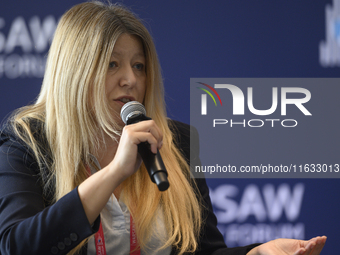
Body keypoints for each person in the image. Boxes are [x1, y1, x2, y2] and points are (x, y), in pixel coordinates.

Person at [0, 1, 326, 255]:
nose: (130, 79)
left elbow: (205, 251)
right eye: (113, 64)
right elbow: (17, 246)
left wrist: (257, 251)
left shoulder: (176, 142)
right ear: (75, 72)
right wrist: (115, 172)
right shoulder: (26, 143)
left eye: (138, 65)